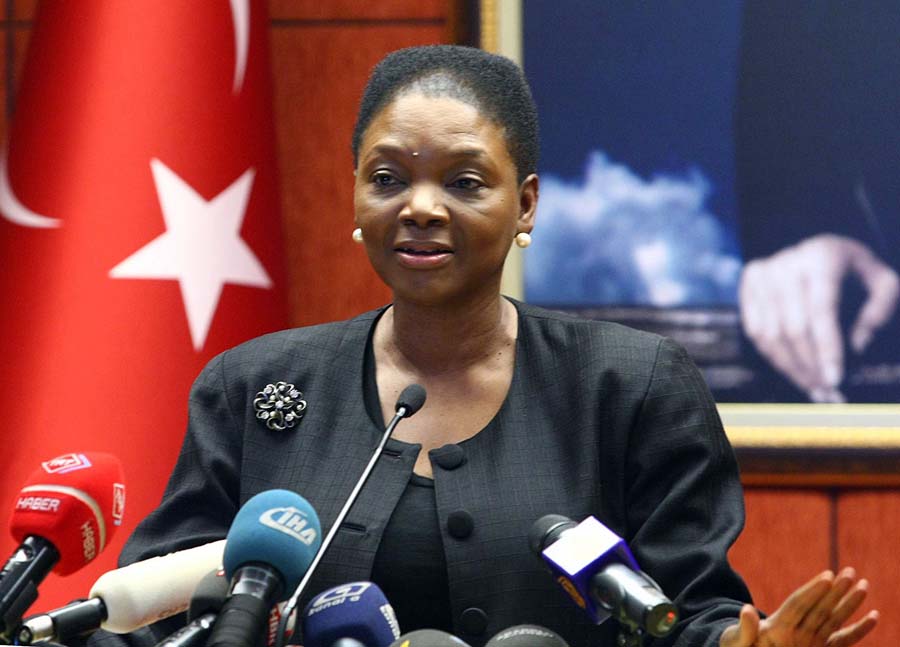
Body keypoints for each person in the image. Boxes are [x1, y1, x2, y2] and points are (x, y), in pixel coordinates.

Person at [91, 45, 878, 647]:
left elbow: (689, 609)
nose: (421, 207)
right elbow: (157, 609)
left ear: (525, 203)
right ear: (356, 196)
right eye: (389, 177)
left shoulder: (630, 385)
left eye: (465, 182)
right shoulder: (251, 386)